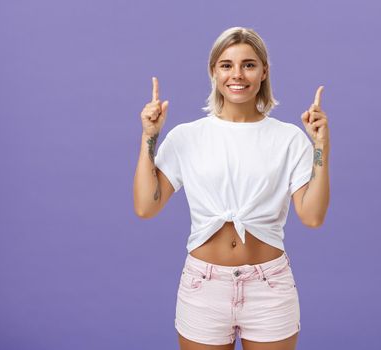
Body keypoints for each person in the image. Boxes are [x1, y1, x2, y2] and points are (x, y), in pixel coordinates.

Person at [133, 26, 330, 350]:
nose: (237, 74)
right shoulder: (186, 137)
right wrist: (148, 137)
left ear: (264, 71)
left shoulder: (289, 138)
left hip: (269, 287)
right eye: (227, 65)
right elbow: (145, 206)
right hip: (203, 288)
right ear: (213, 71)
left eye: (248, 64)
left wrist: (321, 147)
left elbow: (312, 217)